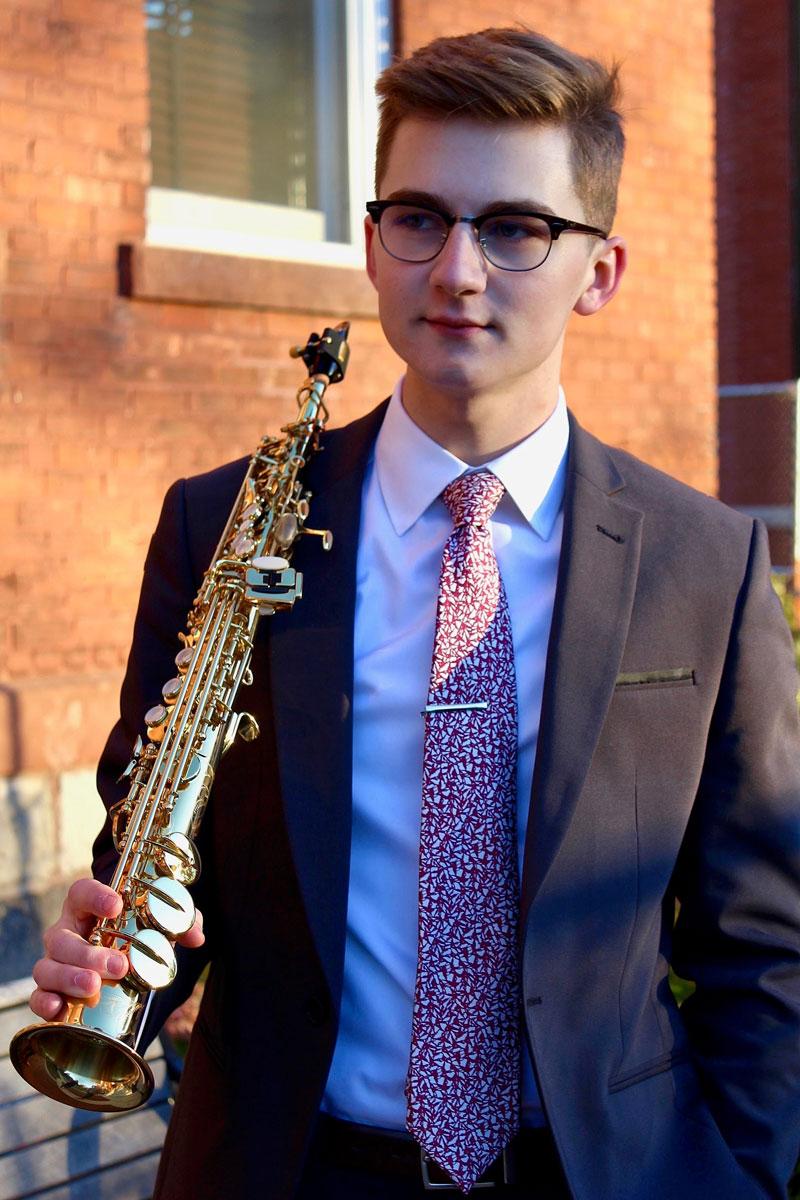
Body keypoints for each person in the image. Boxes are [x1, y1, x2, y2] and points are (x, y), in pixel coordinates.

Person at [26, 27, 800, 1200]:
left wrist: (741, 1175)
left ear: (599, 270)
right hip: (292, 1171)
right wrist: (126, 947)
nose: (457, 271)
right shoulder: (220, 528)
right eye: (421, 218)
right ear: (376, 239)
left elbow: (760, 947)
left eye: (516, 228)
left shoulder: (707, 562)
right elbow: (158, 858)